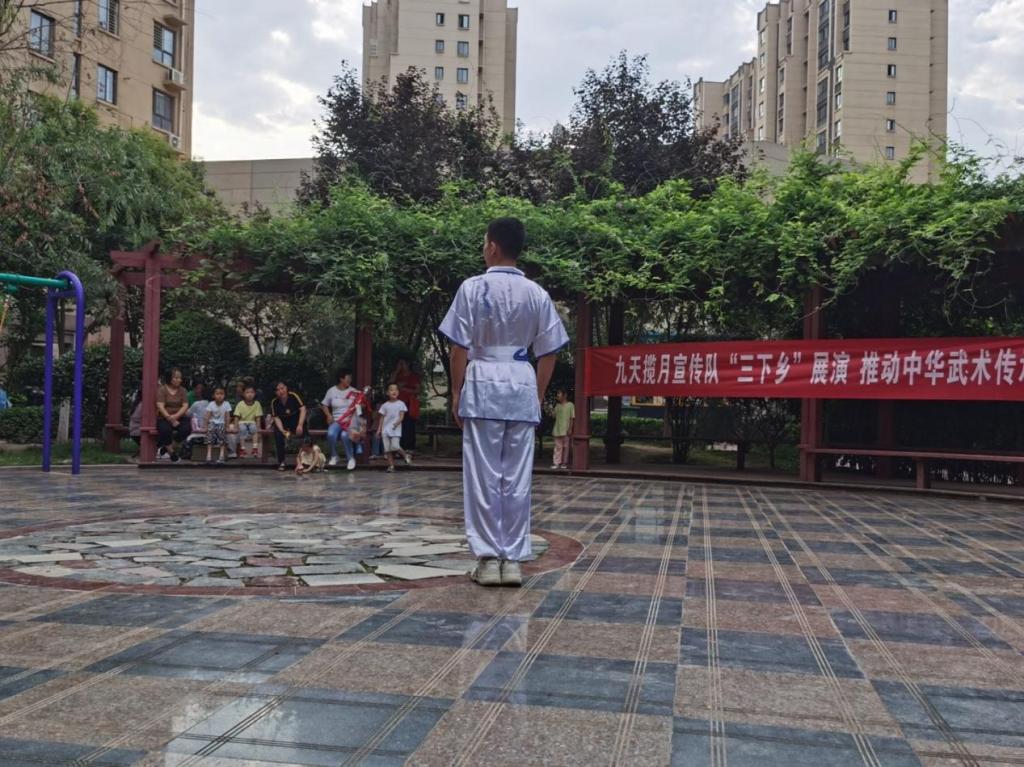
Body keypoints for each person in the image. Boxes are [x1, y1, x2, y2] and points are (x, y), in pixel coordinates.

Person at [439, 217, 568, 587]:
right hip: (521, 382)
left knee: (484, 477)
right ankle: (511, 560)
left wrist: (457, 391)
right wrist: (537, 394)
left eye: (484, 242)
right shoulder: (537, 293)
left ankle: (488, 558)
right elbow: (549, 352)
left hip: (483, 382)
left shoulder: (473, 288)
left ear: (493, 247)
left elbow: (459, 347)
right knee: (516, 477)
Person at [321, 369, 361, 470]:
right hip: (336, 421)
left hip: (350, 422)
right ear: (341, 379)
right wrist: (328, 415)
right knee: (330, 434)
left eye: (350, 378)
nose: (350, 380)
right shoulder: (331, 391)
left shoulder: (354, 391)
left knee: (344, 435)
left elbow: (361, 406)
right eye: (348, 378)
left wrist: (361, 405)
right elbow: (324, 405)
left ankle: (351, 458)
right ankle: (334, 456)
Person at [270, 382, 306, 471]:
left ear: (286, 388)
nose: (281, 391)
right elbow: (276, 418)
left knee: (305, 433)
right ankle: (281, 462)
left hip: (295, 420)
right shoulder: (274, 402)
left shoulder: (293, 396)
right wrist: (282, 430)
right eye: (278, 390)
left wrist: (300, 424)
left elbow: (303, 409)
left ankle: (305, 461)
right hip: (283, 422)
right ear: (275, 392)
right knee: (278, 435)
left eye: (282, 388)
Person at [156, 368, 190, 462]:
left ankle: (166, 448)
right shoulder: (162, 390)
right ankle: (172, 454)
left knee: (186, 429)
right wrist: (169, 418)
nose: (180, 380)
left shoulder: (183, 390)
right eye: (177, 378)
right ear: (170, 378)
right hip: (164, 417)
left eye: (180, 378)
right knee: (165, 430)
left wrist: (175, 417)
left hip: (179, 417)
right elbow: (160, 406)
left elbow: (185, 405)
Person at [377, 383, 412, 473]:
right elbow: (382, 418)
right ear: (387, 393)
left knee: (395, 446)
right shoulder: (385, 405)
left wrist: (397, 423)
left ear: (398, 392)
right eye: (391, 390)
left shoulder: (401, 404)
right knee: (387, 449)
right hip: (385, 430)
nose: (394, 391)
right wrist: (379, 429)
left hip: (395, 429)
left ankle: (406, 455)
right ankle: (391, 466)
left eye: (396, 390)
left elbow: (402, 416)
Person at [390, 358, 421, 453]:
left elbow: (418, 390)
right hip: (397, 403)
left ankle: (409, 447)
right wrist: (397, 371)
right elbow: (390, 383)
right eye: (399, 363)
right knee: (398, 425)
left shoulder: (413, 376)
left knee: (408, 425)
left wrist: (404, 388)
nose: (401, 366)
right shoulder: (397, 375)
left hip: (408, 403)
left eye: (403, 364)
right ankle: (398, 447)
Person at [233, 385, 263, 459]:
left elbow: (258, 417)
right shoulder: (240, 404)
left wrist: (258, 427)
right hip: (242, 422)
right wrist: (236, 427)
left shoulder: (257, 404)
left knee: (254, 428)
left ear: (255, 394)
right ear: (243, 394)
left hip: (252, 422)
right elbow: (236, 416)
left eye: (252, 392)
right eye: (247, 392)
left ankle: (255, 448)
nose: (250, 394)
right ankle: (242, 449)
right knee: (242, 429)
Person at [204, 386, 232, 464]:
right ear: (213, 395)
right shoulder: (211, 404)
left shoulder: (226, 404)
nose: (219, 396)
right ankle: (208, 455)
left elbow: (227, 416)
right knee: (210, 430)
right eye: (217, 394)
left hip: (222, 423)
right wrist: (205, 426)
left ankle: (221, 455)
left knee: (221, 432)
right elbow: (207, 416)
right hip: (212, 422)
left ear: (224, 395)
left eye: (221, 394)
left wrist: (227, 426)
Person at [551, 389, 575, 469]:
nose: (557, 395)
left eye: (559, 393)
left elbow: (572, 418)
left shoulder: (570, 405)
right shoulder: (557, 406)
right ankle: (556, 463)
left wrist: (570, 428)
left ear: (565, 395)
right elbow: (554, 416)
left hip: (566, 430)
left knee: (566, 447)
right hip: (557, 429)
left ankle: (564, 463)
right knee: (557, 447)